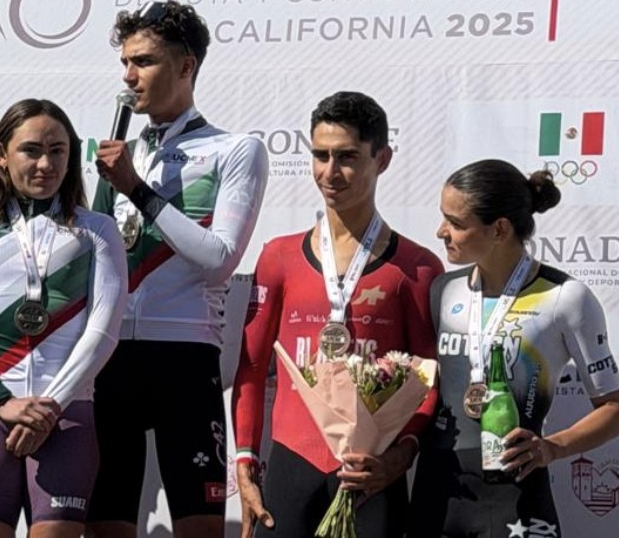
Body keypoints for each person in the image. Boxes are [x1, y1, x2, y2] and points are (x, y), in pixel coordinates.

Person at [88, 0, 269, 538]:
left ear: (186, 66)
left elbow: (220, 259)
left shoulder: (234, 150)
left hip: (184, 352)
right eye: (124, 62)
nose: (128, 76)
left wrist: (137, 190)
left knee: (198, 524)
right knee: (107, 522)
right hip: (110, 351)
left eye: (143, 61)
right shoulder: (121, 153)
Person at [232, 91, 444, 537]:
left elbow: (429, 379)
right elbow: (251, 368)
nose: (330, 173)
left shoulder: (419, 267)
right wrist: (246, 461)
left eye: (347, 157)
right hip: (292, 465)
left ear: (381, 159)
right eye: (320, 155)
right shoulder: (279, 257)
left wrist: (399, 457)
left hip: (373, 477)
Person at [0, 98, 127, 538]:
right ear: (2, 155)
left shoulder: (98, 229)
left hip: (67, 414)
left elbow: (103, 330)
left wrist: (50, 409)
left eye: (58, 151)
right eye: (31, 150)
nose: (46, 163)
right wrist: (1, 401)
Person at [408, 159, 619, 537]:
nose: (441, 232)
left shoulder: (564, 298)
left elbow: (614, 407)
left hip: (516, 492)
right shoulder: (442, 290)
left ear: (500, 229)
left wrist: (552, 448)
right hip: (438, 489)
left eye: (455, 223)